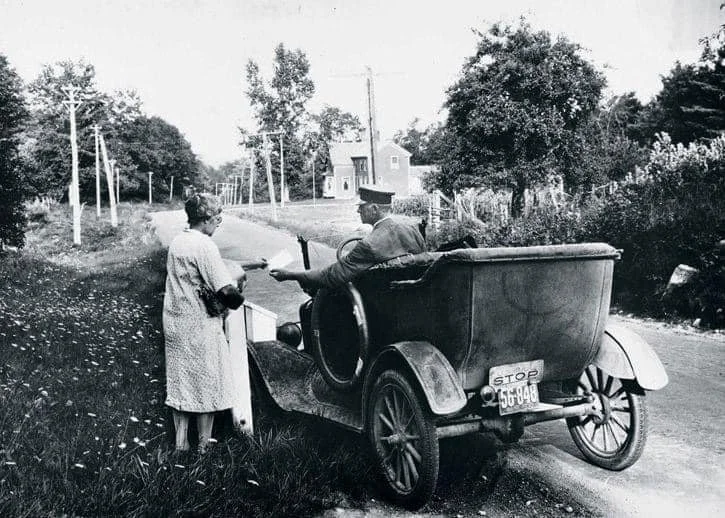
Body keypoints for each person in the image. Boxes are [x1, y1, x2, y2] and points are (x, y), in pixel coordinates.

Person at [163, 193, 265, 453]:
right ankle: (203, 448)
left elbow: (209, 268)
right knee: (206, 381)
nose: (219, 222)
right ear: (206, 219)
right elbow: (227, 294)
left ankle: (180, 444)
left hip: (175, 321)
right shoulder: (205, 246)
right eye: (217, 217)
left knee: (181, 381)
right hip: (200, 323)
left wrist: (251, 264)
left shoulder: (179, 241)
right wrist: (240, 287)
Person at [269, 185, 426, 289]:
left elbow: (331, 276)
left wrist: (290, 274)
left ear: (374, 209)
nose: (358, 211)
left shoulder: (368, 245)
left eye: (361, 207)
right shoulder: (413, 231)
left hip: (379, 304)